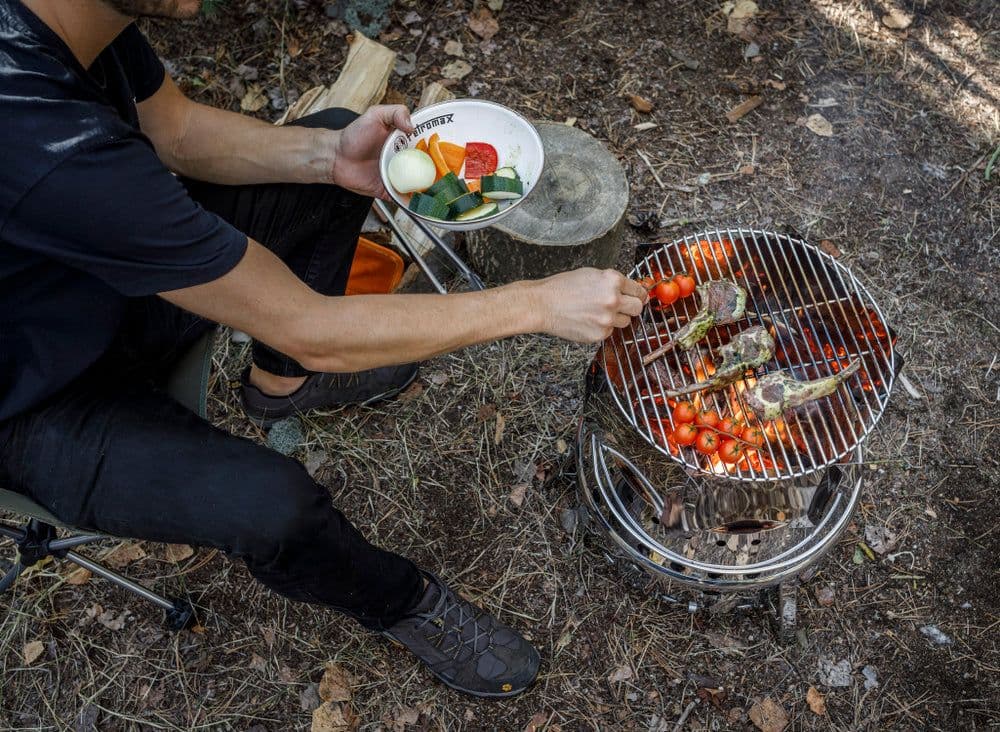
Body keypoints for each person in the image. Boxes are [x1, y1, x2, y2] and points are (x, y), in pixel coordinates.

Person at [0, 0, 646, 698]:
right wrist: (538, 302)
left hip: (107, 279)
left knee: (342, 148)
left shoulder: (75, 21)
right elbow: (308, 324)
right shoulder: (39, 140)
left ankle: (282, 384)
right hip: (37, 393)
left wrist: (327, 157)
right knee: (275, 508)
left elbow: (178, 131)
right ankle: (403, 602)